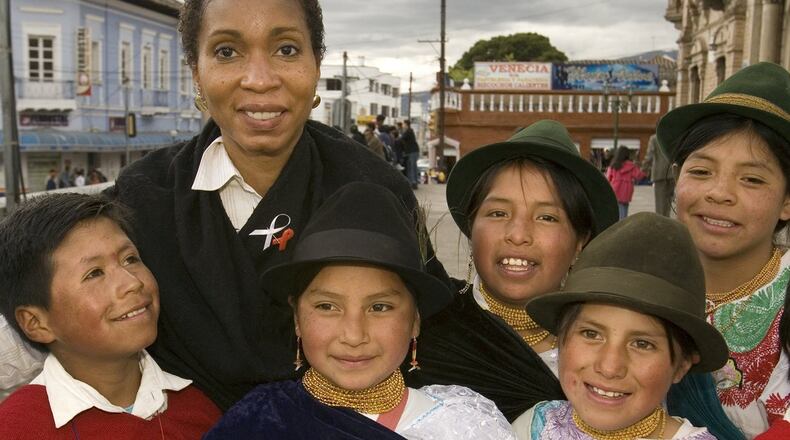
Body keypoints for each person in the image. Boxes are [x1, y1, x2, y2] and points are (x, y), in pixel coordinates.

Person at [99, 0, 449, 411]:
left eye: (286, 50)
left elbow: (443, 331)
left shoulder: (375, 190)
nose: (260, 80)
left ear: (317, 64)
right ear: (196, 71)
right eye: (227, 51)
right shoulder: (144, 197)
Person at [205, 182, 515, 439]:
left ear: (415, 320)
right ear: (297, 318)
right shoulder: (257, 424)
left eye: (380, 307)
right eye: (327, 307)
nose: (354, 335)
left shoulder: (465, 426)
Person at [406, 119, 619, 421]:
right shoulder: (424, 325)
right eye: (498, 213)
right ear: (471, 228)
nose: (518, 234)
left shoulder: (610, 348)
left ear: (580, 243)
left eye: (546, 217)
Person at [0, 194, 221, 438]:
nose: (132, 282)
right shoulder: (16, 428)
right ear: (36, 323)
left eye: (130, 259)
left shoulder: (199, 412)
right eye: (94, 273)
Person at [657, 61, 790, 438]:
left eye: (751, 179)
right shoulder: (639, 277)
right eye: (701, 171)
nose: (718, 193)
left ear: (787, 201)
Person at [512, 212, 727, 439]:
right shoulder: (533, 427)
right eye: (591, 333)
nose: (609, 367)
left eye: (642, 344)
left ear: (682, 366)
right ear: (561, 338)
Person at [606, 145, 645, 219]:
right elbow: (639, 176)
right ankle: (623, 222)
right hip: (627, 190)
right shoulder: (631, 165)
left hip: (615, 189)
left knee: (617, 209)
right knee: (624, 209)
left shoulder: (613, 165)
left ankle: (618, 224)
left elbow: (608, 178)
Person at [642, 134, 675, 217]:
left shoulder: (654, 138)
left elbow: (649, 155)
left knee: (660, 203)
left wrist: (644, 167)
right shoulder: (672, 137)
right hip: (672, 173)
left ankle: (661, 225)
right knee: (668, 203)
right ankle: (667, 222)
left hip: (659, 174)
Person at [402, 119, 420, 189]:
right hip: (413, 151)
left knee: (412, 167)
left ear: (406, 124)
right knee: (413, 167)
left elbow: (402, 138)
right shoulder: (410, 131)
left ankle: (413, 182)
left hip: (412, 151)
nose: (403, 126)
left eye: (404, 124)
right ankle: (414, 182)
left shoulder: (408, 131)